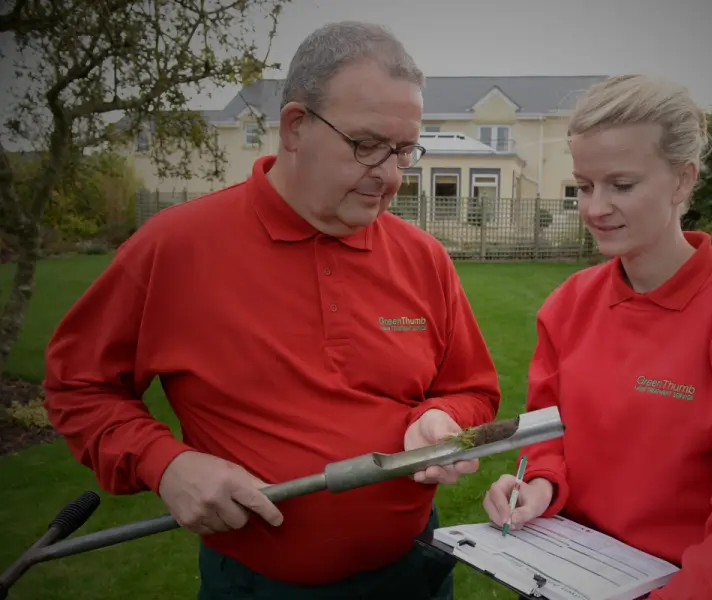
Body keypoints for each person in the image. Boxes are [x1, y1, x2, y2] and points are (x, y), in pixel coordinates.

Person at [42, 21, 502, 600]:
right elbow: (79, 385)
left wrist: (443, 420)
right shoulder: (175, 248)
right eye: (365, 145)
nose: (389, 175)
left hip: (414, 573)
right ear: (294, 127)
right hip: (259, 587)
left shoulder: (423, 258)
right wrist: (165, 463)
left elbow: (474, 390)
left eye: (404, 150)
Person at [482, 74, 712, 600]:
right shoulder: (567, 305)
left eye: (621, 185)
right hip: (556, 576)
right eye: (584, 186)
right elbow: (549, 434)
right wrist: (537, 485)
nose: (594, 207)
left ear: (682, 180)